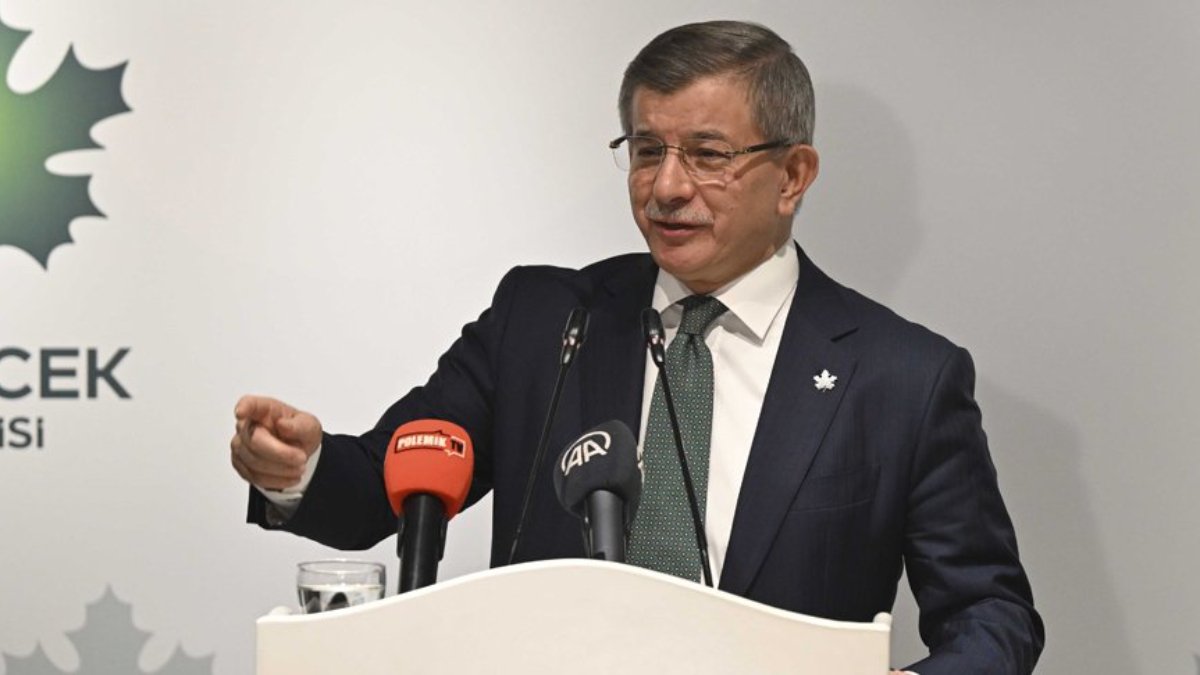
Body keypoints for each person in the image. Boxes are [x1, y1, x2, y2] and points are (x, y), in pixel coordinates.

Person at [230, 21, 1043, 674]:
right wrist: (299, 468)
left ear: (793, 175)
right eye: (648, 150)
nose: (666, 186)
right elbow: (394, 481)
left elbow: (992, 612)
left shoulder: (902, 377)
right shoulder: (542, 320)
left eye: (708, 155)